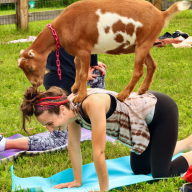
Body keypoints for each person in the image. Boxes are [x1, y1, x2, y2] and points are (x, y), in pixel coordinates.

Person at [2, 86, 192, 192]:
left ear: (60, 110)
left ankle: (189, 150)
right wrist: (77, 181)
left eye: (49, 123)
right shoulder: (72, 111)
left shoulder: (91, 104)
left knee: (160, 173)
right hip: (141, 124)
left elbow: (99, 153)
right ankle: (178, 145)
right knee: (140, 169)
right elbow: (73, 145)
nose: (50, 130)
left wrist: (103, 191)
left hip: (160, 112)